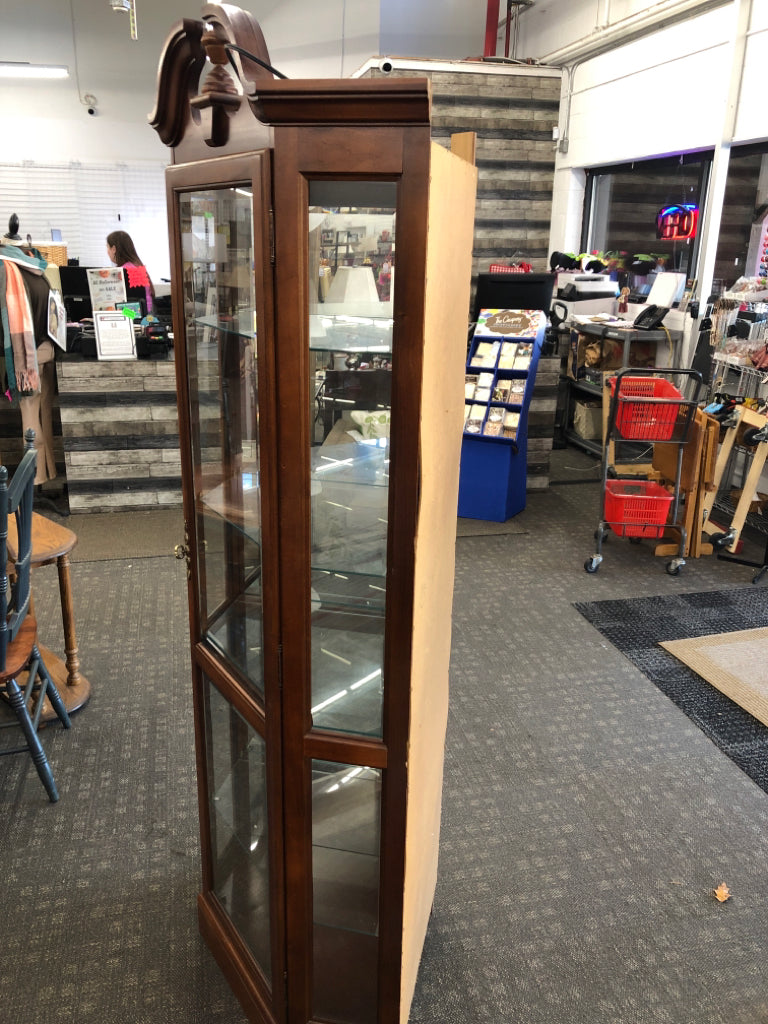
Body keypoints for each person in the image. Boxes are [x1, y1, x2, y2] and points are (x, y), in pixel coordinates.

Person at [106, 229, 155, 312]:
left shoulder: (130, 271)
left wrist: (114, 312)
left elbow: (137, 311)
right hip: (144, 318)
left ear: (113, 249)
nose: (107, 252)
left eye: (107, 247)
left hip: (139, 320)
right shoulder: (135, 267)